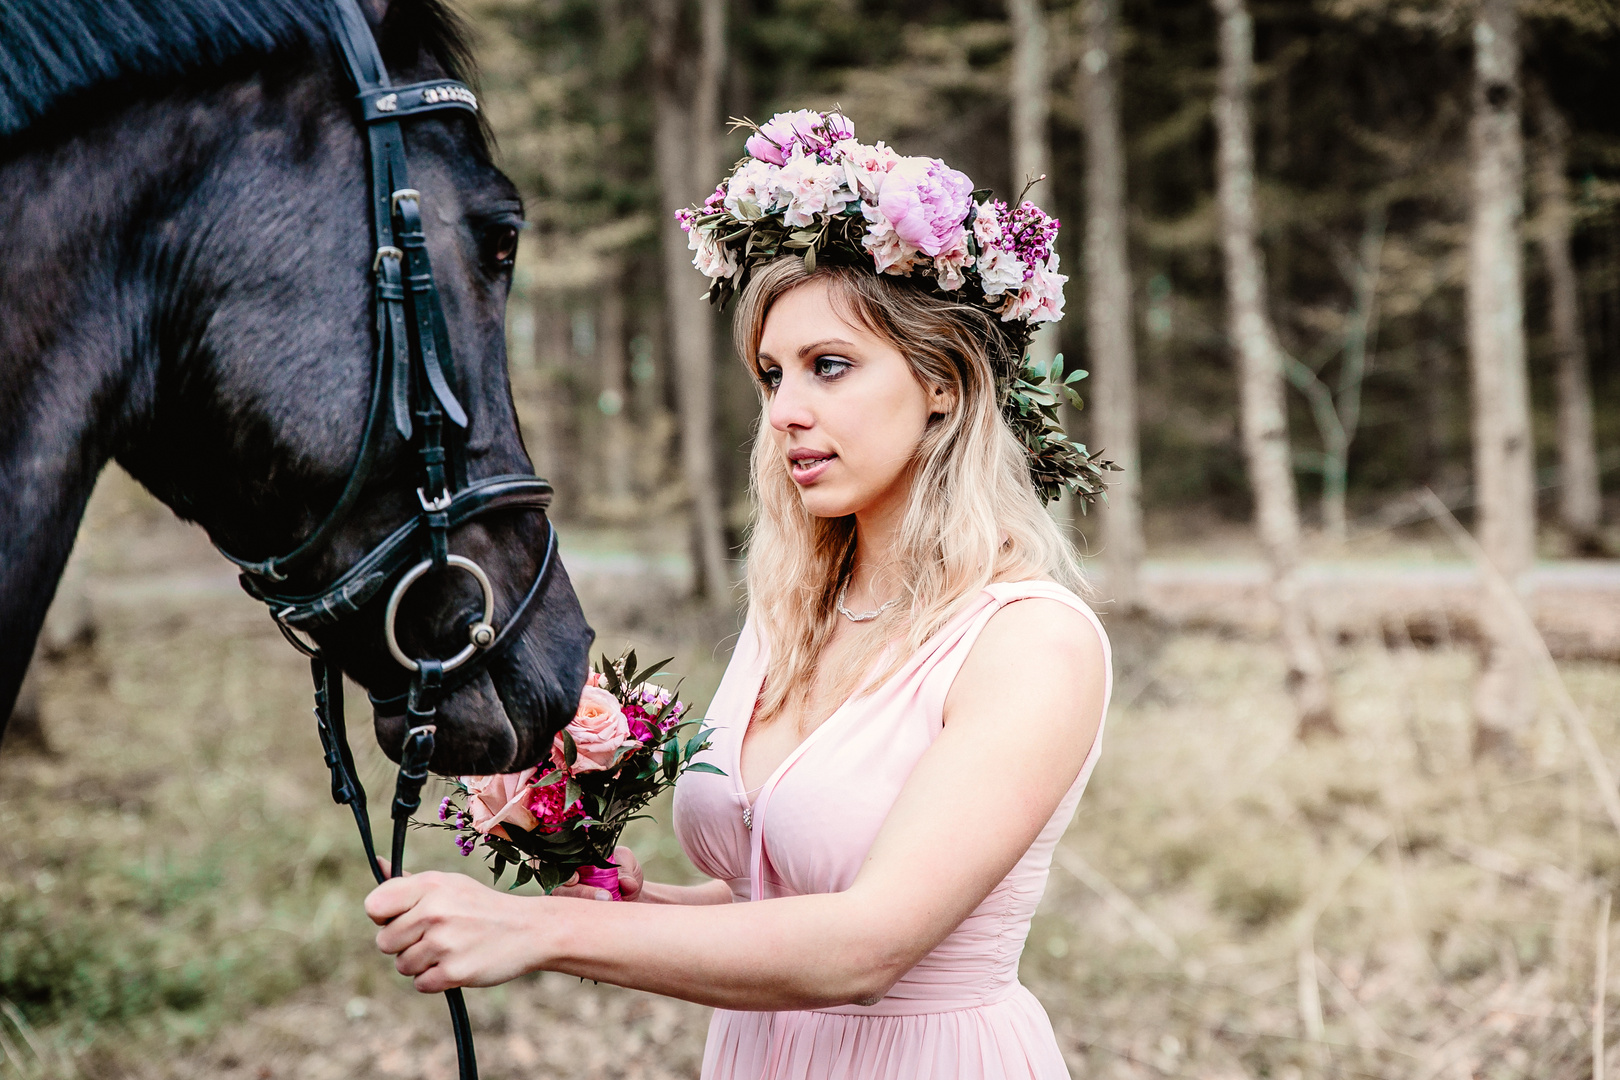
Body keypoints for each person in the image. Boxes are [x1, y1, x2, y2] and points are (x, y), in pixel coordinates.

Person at [365, 112, 1113, 1080]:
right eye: (771, 375)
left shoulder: (1031, 644)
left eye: (829, 367)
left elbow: (866, 946)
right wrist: (643, 911)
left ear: (941, 381)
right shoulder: (793, 614)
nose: (787, 411)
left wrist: (536, 930)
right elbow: (785, 887)